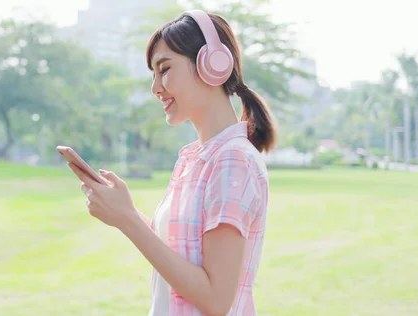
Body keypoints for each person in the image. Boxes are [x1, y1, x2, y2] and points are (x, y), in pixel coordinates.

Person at [68, 9, 276, 316]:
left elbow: (215, 300)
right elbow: (182, 256)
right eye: (153, 74)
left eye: (164, 69)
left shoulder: (232, 160)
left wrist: (127, 220)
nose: (155, 87)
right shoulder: (195, 159)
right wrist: (125, 211)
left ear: (212, 65)